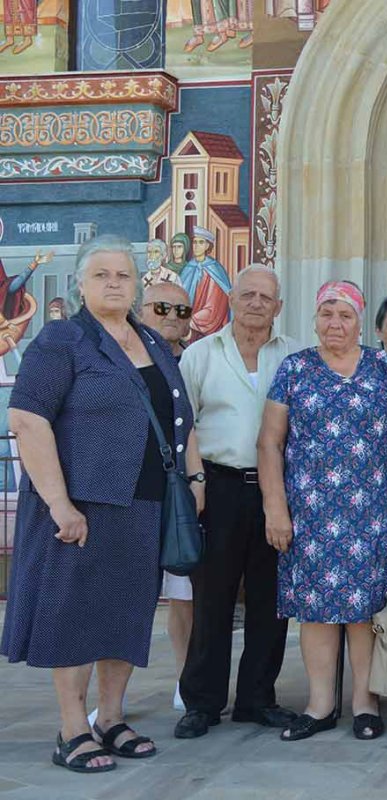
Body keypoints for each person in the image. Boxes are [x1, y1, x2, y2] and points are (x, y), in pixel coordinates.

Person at [1, 236, 203, 773]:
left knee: (127, 614)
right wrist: (60, 504)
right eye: (102, 275)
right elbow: (27, 419)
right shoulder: (62, 339)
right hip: (82, 505)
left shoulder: (153, 344)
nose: (114, 283)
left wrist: (194, 476)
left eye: (123, 275)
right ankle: (72, 730)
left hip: (142, 503)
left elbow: (181, 419)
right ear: (82, 284)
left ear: (137, 285)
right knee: (74, 616)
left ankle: (110, 717)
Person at [259, 279, 387, 741]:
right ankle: (319, 704)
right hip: (309, 512)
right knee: (316, 610)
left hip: (373, 510)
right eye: (327, 313)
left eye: (345, 314)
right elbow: (270, 442)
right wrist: (275, 506)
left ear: (359, 321)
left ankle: (365, 702)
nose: (335, 323)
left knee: (364, 609)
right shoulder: (295, 368)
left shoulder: (383, 366)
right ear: (314, 318)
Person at [175, 265, 299, 740]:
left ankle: (257, 699)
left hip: (276, 492)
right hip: (218, 487)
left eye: (265, 297)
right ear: (231, 298)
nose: (255, 303)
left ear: (278, 307)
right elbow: (182, 424)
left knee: (271, 599)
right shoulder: (201, 355)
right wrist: (195, 480)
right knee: (214, 599)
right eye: (247, 294)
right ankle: (202, 703)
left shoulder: (293, 356)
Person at [138, 280, 196, 711]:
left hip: (177, 492)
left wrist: (198, 483)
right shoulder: (117, 356)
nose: (172, 317)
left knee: (183, 593)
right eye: (162, 308)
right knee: (123, 593)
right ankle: (108, 698)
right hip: (130, 492)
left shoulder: (192, 362)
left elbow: (194, 426)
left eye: (182, 311)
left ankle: (184, 678)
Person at [179, 227, 233, 339]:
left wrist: (191, 321)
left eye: (201, 242)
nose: (196, 246)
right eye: (194, 242)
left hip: (206, 332)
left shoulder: (215, 270)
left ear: (207, 246)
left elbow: (214, 308)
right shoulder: (188, 268)